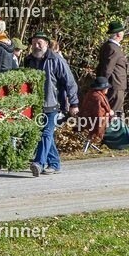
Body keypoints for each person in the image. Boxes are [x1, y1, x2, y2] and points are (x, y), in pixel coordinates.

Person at [24, 32, 79, 176]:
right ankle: (54, 164)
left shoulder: (56, 60)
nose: (36, 46)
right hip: (36, 105)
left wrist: (73, 103)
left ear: (46, 44)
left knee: (46, 133)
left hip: (53, 103)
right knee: (44, 135)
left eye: (39, 43)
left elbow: (70, 82)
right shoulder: (28, 60)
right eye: (34, 43)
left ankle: (38, 163)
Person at [96, 20, 127, 114]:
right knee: (111, 113)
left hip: (115, 85)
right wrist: (102, 86)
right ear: (118, 35)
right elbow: (107, 69)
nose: (123, 33)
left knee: (115, 113)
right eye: (122, 32)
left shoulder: (108, 46)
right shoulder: (113, 48)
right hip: (115, 85)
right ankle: (107, 128)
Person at [80, 77, 114, 145]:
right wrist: (109, 113)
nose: (107, 89)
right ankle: (100, 141)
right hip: (94, 123)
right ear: (103, 89)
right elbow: (99, 114)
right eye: (106, 88)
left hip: (84, 120)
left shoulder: (90, 94)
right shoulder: (98, 97)